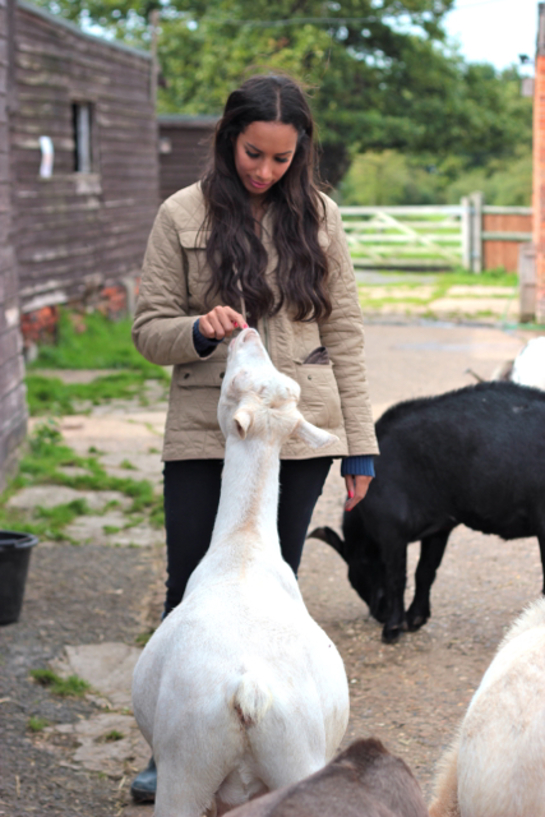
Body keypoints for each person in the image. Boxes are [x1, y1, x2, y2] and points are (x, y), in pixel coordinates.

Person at [130, 73, 379, 802]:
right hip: (206, 436)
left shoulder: (322, 218)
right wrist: (199, 331)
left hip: (295, 437)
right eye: (251, 154)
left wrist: (358, 443)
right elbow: (148, 332)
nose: (264, 171)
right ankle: (175, 747)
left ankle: (266, 741)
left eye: (280, 159)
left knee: (272, 595)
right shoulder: (180, 215)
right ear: (226, 138)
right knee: (190, 594)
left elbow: (345, 333)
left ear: (300, 153)